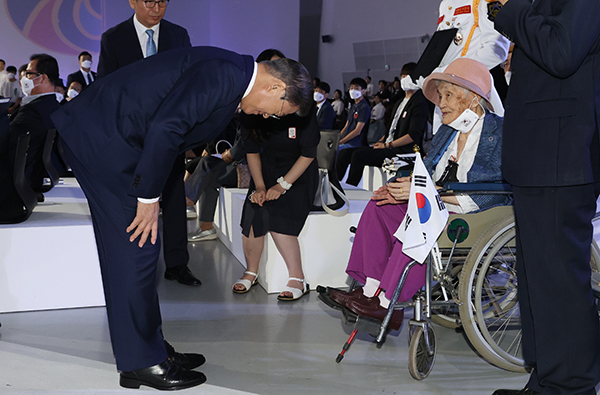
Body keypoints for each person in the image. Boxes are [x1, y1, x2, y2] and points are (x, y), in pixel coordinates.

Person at [50, 46, 312, 390]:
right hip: (106, 142)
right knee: (137, 250)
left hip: (112, 140)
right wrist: (147, 197)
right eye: (278, 112)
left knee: (135, 253)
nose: (269, 118)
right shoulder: (224, 74)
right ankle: (141, 362)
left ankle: (147, 350)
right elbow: (167, 126)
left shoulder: (231, 74)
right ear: (276, 88)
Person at [323, 58, 510, 331]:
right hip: (437, 203)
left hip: (475, 210)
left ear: (473, 100)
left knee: (419, 219)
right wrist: (403, 184)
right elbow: (429, 170)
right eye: (441, 95)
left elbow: (504, 184)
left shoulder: (501, 131)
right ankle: (370, 291)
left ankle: (390, 302)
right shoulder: (447, 131)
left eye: (448, 96)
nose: (441, 103)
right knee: (380, 204)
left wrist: (427, 192)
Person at [491, 1, 600, 394]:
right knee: (539, 276)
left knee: (558, 278)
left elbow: (561, 51)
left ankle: (569, 385)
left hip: (561, 148)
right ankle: (548, 379)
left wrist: (508, 10)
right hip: (544, 148)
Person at [97, 0, 199, 287]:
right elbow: (107, 87)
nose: (157, 8)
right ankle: (136, 263)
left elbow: (188, 79)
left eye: (163, 2)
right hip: (132, 135)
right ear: (132, 2)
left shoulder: (178, 35)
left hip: (171, 132)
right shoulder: (114, 38)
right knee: (135, 200)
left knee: (174, 196)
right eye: (149, 1)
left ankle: (178, 264)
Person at [186, 48, 285, 242]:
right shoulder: (255, 101)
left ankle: (190, 203)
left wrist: (228, 155)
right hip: (247, 161)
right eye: (275, 65)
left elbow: (247, 145)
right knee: (208, 168)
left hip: (261, 168)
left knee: (209, 168)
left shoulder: (275, 104)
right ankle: (202, 220)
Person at [232, 109, 319, 301]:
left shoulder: (303, 109)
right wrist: (260, 186)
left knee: (280, 215)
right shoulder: (251, 110)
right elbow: (252, 151)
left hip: (299, 173)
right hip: (266, 169)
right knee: (254, 211)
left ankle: (298, 278)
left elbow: (308, 154)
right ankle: (251, 271)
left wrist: (282, 186)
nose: (262, 115)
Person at [336, 63, 431, 187]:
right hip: (388, 145)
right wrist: (381, 142)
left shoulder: (419, 103)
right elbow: (390, 129)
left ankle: (350, 187)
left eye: (408, 76)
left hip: (402, 150)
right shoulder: (399, 103)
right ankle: (335, 185)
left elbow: (413, 135)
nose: (404, 79)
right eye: (402, 76)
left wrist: (387, 145)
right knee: (344, 153)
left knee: (358, 156)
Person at [0, 54, 60, 222]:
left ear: (43, 78)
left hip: (10, 193)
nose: (23, 78)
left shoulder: (33, 111)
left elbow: (7, 147)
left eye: (28, 73)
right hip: (25, 185)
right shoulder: (50, 105)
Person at [338, 77, 370, 151]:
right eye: (351, 88)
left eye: (356, 88)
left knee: (335, 151)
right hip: (346, 141)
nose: (353, 91)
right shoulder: (353, 106)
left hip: (354, 143)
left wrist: (341, 142)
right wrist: (338, 139)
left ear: (363, 91)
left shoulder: (364, 107)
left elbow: (357, 131)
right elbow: (346, 125)